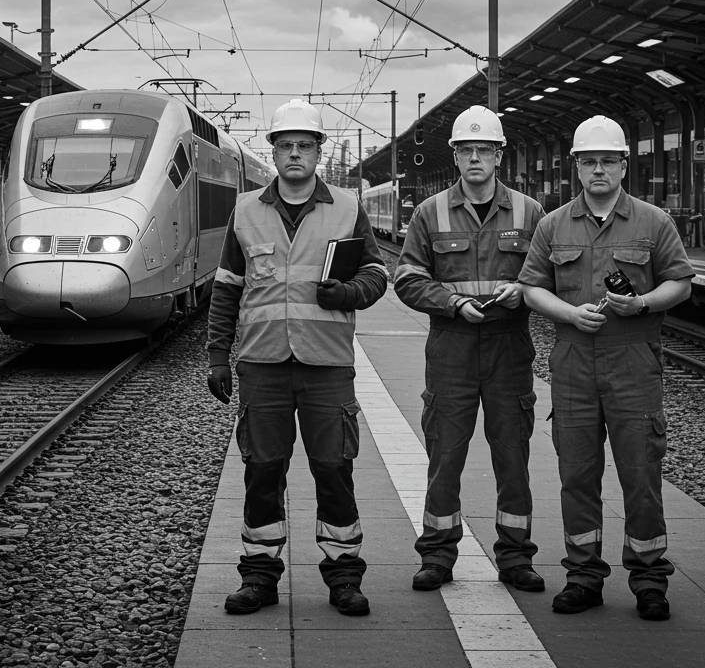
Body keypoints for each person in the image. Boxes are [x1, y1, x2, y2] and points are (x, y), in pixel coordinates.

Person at [205, 99, 389, 617]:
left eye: (303, 145)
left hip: (327, 364)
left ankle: (344, 576)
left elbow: (377, 275)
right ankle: (259, 576)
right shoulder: (245, 210)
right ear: (275, 151)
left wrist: (346, 293)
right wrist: (219, 355)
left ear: (317, 151)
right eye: (285, 145)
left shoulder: (348, 207)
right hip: (261, 364)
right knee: (263, 471)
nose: (293, 154)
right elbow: (226, 288)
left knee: (334, 469)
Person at [518, 115, 693, 621]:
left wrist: (640, 305)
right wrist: (569, 313)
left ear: (623, 166)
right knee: (577, 475)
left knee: (641, 473)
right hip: (573, 362)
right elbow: (533, 288)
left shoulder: (654, 221)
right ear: (576, 167)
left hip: (634, 361)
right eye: (589, 161)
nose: (599, 169)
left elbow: (680, 283)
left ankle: (649, 578)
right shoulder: (553, 224)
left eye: (608, 161)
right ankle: (584, 576)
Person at [393, 105, 547, 594]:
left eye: (485, 149)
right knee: (444, 454)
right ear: (456, 157)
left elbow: (547, 276)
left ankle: (516, 556)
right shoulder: (429, 211)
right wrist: (453, 303)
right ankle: (437, 554)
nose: (475, 157)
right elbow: (408, 278)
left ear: (499, 155)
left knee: (512, 456)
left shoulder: (529, 212)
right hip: (452, 345)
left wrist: (524, 291)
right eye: (467, 150)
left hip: (509, 345)